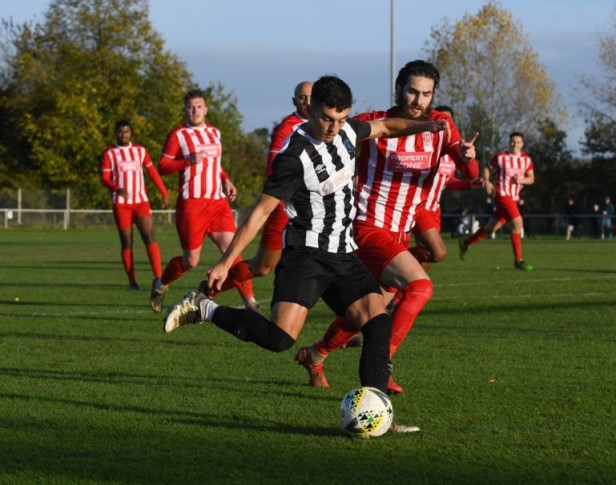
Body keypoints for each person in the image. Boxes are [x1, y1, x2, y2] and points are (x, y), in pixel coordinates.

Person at [162, 76, 448, 432]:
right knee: (279, 339)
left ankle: (377, 415)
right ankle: (204, 308)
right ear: (311, 109)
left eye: (341, 119)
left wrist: (428, 125)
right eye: (327, 118)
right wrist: (225, 261)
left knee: (379, 322)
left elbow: (388, 126)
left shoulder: (347, 133)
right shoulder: (294, 156)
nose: (333, 127)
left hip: (343, 253)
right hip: (306, 255)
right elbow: (261, 213)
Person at [293, 61, 478, 395]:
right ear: (398, 88)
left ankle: (315, 354)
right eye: (412, 91)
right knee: (420, 287)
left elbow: (469, 170)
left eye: (426, 94)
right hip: (366, 227)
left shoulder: (442, 125)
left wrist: (467, 156)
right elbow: (330, 132)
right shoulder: (373, 122)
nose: (418, 100)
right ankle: (382, 365)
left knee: (370, 309)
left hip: (399, 232)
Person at [196, 81, 313, 303]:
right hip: (284, 208)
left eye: (311, 97)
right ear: (294, 101)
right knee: (263, 266)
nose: (307, 102)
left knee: (320, 262)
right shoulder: (287, 128)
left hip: (314, 211)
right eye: (302, 98)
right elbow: (274, 169)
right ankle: (207, 291)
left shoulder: (325, 124)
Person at [150, 88, 257, 313]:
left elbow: (215, 165)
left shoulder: (215, 133)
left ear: (206, 110)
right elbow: (163, 166)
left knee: (233, 251)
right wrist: (187, 160)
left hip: (217, 203)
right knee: (191, 262)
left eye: (199, 106)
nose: (195, 110)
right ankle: (161, 286)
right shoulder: (178, 135)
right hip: (192, 204)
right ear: (185, 111)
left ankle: (250, 303)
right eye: (190, 107)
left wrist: (226, 180)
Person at [408, 104, 482, 269]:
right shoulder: (424, 148)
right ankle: (386, 260)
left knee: (426, 262)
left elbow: (446, 182)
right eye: (439, 119)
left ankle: (400, 293)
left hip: (435, 209)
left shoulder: (451, 155)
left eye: (447, 120)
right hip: (421, 207)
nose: (443, 123)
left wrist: (469, 184)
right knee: (437, 252)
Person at [99, 120, 170, 290]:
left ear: (130, 133)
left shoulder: (140, 151)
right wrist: (116, 188)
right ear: (116, 133)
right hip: (121, 204)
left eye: (127, 131)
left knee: (149, 237)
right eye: (121, 132)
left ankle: (158, 278)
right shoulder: (109, 153)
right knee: (126, 242)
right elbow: (105, 178)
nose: (124, 135)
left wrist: (164, 192)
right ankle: (132, 281)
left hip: (141, 202)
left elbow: (152, 172)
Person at [459, 132, 535, 270]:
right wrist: (487, 180)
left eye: (518, 142)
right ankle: (518, 260)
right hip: (502, 195)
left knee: (490, 228)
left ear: (522, 144)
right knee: (518, 224)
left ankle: (465, 242)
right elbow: (487, 167)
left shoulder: (526, 160)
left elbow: (531, 178)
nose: (515, 144)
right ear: (509, 142)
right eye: (513, 141)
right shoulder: (501, 157)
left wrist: (522, 180)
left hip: (514, 198)